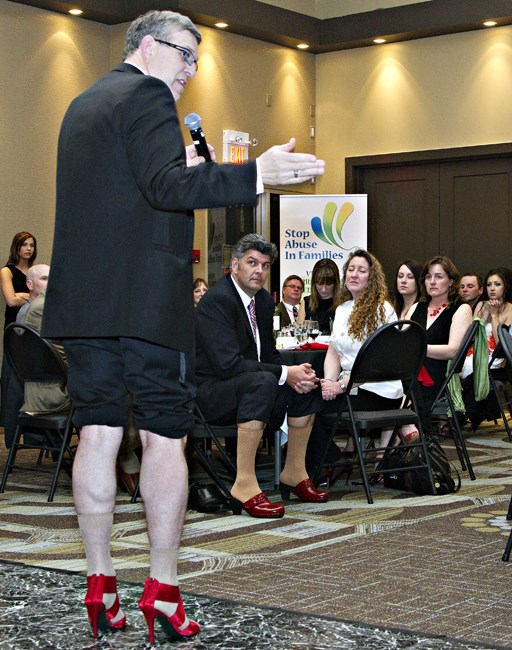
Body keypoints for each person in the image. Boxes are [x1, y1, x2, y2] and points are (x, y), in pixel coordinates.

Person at [40, 9, 325, 643]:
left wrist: (198, 167)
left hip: (87, 305)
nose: (191, 71)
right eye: (185, 56)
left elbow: (122, 196)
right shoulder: (145, 93)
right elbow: (165, 188)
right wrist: (256, 175)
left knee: (98, 431)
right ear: (146, 45)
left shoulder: (83, 103)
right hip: (145, 304)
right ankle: (163, 592)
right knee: (166, 437)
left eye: (197, 61)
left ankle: (99, 583)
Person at [195, 234, 327, 517]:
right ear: (234, 265)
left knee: (307, 382)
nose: (259, 271)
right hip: (210, 396)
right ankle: (244, 482)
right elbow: (228, 365)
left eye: (265, 265)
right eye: (252, 262)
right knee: (267, 379)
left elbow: (268, 356)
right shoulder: (217, 301)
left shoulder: (264, 301)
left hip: (250, 388)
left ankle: (294, 470)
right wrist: (283, 372)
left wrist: (295, 374)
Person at [307, 250, 403, 481]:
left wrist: (341, 386)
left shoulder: (383, 310)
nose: (354, 274)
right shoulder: (342, 310)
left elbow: (378, 361)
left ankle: (328, 465)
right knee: (305, 400)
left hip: (378, 390)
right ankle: (331, 462)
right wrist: (330, 381)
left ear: (371, 277)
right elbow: (333, 351)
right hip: (351, 385)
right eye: (351, 269)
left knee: (309, 406)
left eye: (361, 270)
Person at [408, 256, 472, 420]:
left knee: (401, 387)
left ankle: (402, 432)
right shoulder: (417, 307)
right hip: (412, 369)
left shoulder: (461, 308)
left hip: (439, 374)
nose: (432, 281)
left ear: (451, 281)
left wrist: (418, 348)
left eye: (439, 276)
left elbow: (453, 350)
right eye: (428, 277)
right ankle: (403, 433)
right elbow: (401, 340)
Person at [461, 267, 512, 431]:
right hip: (476, 353)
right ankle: (464, 413)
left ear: (505, 287)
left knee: (474, 370)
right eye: (489, 284)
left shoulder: (511, 309)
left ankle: (459, 415)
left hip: (498, 361)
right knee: (456, 366)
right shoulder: (481, 305)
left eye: (497, 284)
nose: (492, 288)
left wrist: (496, 316)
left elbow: (501, 347)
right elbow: (473, 336)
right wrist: (484, 315)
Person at [1, 231, 37, 329]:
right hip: (14, 323)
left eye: (32, 245)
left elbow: (44, 299)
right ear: (16, 247)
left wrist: (21, 295)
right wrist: (33, 297)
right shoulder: (7, 271)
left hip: (33, 322)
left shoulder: (35, 271)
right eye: (24, 245)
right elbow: (11, 301)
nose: (29, 249)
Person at [299, 258, 342, 334]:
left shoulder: (344, 303)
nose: (324, 289)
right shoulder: (306, 302)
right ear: (313, 283)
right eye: (319, 284)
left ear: (336, 283)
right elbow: (300, 333)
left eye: (329, 284)